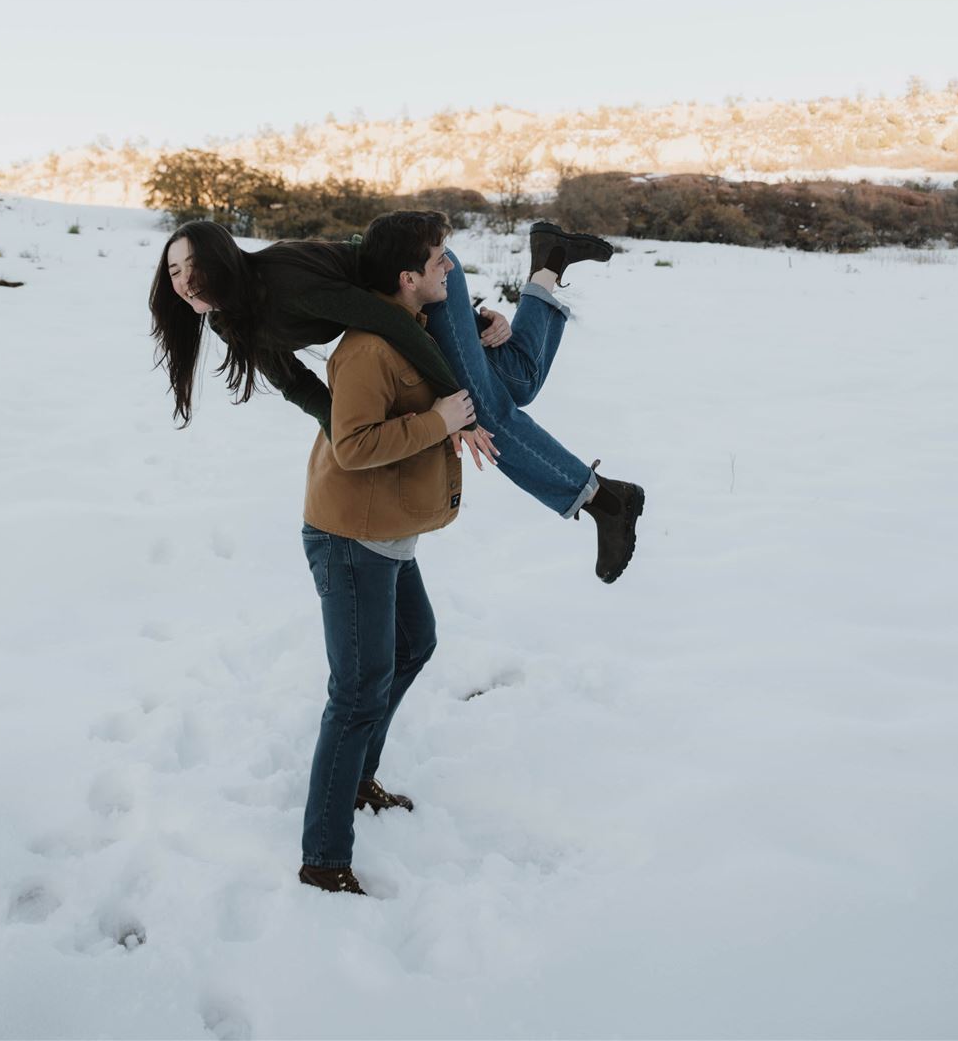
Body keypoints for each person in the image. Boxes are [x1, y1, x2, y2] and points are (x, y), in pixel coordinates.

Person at [149, 212, 644, 582]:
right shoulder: (229, 316)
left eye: (193, 265)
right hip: (402, 288)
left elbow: (386, 317)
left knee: (486, 411)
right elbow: (294, 382)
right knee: (517, 384)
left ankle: (606, 501)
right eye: (173, 271)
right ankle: (549, 262)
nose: (184, 280)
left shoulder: (283, 288)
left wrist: (458, 403)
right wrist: (342, 427)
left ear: (222, 258)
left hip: (422, 276)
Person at [295, 212, 472, 895]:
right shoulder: (368, 348)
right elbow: (354, 445)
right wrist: (439, 422)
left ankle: (356, 774)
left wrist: (489, 326)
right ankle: (323, 859)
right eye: (440, 261)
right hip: (351, 538)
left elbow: (451, 364)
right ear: (407, 278)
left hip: (387, 530)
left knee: (412, 645)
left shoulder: (414, 328)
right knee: (357, 691)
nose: (449, 270)